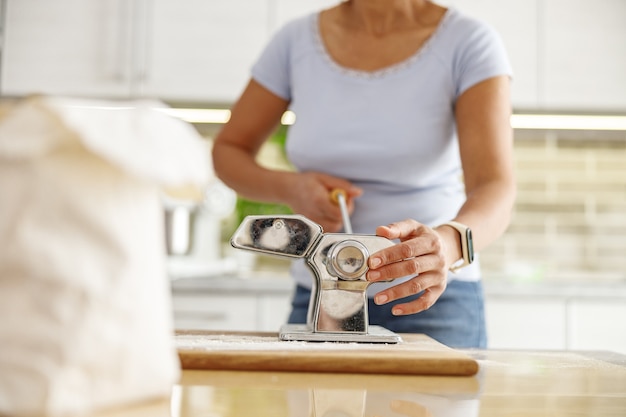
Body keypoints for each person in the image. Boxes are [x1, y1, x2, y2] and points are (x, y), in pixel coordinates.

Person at [212, 0, 516, 348]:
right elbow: (228, 151)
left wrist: (445, 245)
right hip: (321, 295)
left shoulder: (469, 42)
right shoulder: (294, 42)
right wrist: (290, 188)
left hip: (433, 298)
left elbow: (495, 186)